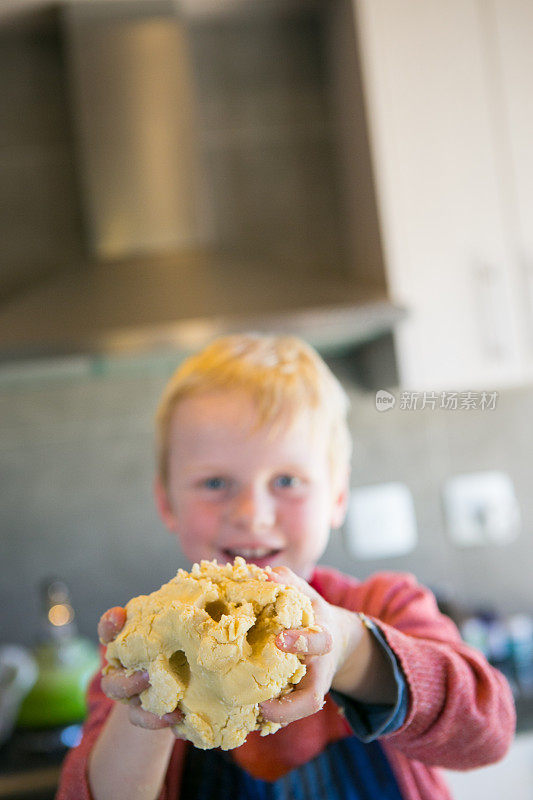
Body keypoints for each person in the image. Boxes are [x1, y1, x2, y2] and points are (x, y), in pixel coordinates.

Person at [56, 333, 515, 800]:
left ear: (337, 497)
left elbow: (489, 733)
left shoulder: (383, 604)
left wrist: (354, 648)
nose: (253, 513)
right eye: (215, 482)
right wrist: (148, 701)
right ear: (166, 502)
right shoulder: (137, 647)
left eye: (287, 481)